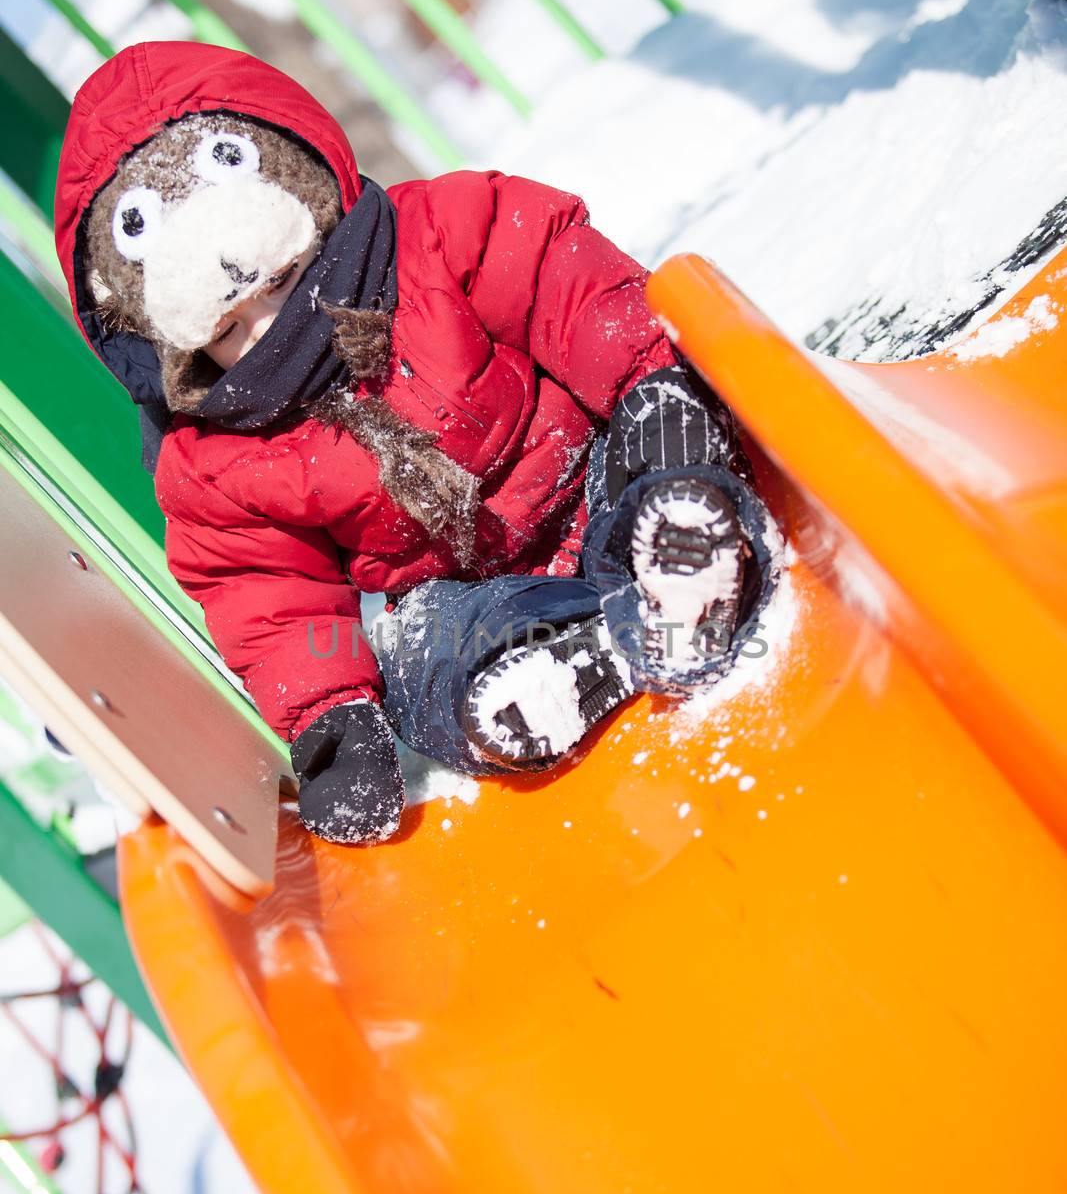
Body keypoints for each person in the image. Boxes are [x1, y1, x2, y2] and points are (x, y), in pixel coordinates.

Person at [55, 42, 775, 846]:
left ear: (314, 207)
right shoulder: (212, 459)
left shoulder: (436, 236)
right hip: (472, 595)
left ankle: (682, 529)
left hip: (589, 477)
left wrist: (650, 383)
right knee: (413, 648)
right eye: (228, 328)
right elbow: (266, 596)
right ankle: (565, 665)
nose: (271, 330)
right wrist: (331, 715)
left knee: (657, 438)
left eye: (284, 284)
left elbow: (562, 286)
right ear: (171, 348)